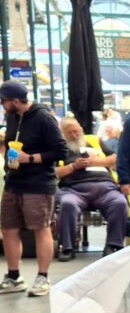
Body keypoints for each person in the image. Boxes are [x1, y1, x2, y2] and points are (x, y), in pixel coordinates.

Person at [0, 80, 66, 297]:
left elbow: (60, 151)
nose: (2, 105)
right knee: (8, 228)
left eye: (4, 101)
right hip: (13, 181)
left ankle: (43, 277)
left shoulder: (43, 118)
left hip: (38, 184)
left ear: (15, 101)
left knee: (41, 228)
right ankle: (13, 276)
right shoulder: (12, 117)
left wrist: (29, 158)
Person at [54, 116, 128, 261]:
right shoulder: (58, 148)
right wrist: (74, 166)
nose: (75, 135)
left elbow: (115, 158)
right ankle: (67, 247)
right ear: (62, 133)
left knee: (119, 203)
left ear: (81, 129)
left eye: (77, 131)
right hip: (74, 189)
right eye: (70, 133)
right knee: (67, 204)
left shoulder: (95, 140)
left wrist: (97, 161)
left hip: (105, 187)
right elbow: (54, 172)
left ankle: (113, 245)